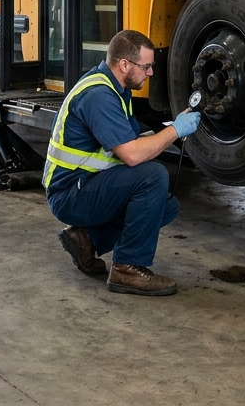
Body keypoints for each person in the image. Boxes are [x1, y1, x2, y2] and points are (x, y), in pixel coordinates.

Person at [44, 29, 201, 296]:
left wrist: (170, 129)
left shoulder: (116, 88)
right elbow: (131, 154)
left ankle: (85, 240)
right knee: (153, 176)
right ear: (124, 64)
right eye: (146, 67)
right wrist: (175, 131)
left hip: (85, 186)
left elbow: (132, 136)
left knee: (165, 206)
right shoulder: (99, 95)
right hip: (69, 193)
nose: (150, 73)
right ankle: (127, 269)